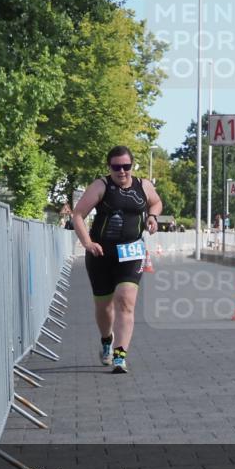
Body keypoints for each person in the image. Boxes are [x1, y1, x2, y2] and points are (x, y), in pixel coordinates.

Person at [71, 146, 162, 374]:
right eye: (116, 167)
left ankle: (120, 355)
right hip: (101, 254)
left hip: (131, 251)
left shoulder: (144, 185)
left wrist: (152, 216)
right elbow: (78, 214)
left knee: (125, 300)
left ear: (133, 165)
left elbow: (156, 202)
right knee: (104, 307)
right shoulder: (101, 186)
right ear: (109, 167)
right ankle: (106, 340)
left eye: (126, 167)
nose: (122, 172)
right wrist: (87, 243)